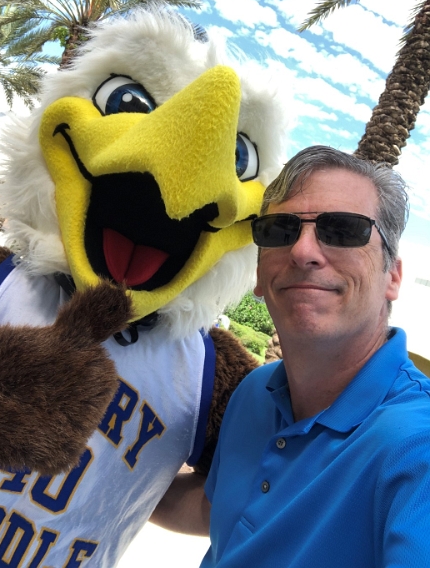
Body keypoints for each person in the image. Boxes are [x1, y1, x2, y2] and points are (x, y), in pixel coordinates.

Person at [150, 145, 430, 567]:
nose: (302, 251)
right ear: (260, 273)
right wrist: (99, 475)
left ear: (392, 275)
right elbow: (218, 508)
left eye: (343, 230)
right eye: (280, 230)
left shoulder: (416, 446)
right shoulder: (255, 392)